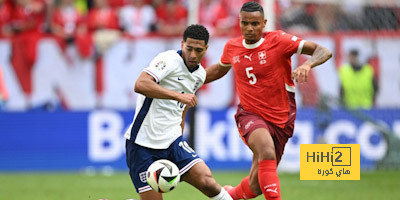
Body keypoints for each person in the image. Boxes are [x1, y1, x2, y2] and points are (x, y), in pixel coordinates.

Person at [205, 2, 332, 200]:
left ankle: (230, 196)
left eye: (255, 24)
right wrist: (189, 81)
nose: (249, 28)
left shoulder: (279, 40)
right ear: (239, 22)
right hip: (250, 114)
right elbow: (219, 70)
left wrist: (307, 65)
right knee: (266, 150)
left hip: (282, 118)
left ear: (264, 23)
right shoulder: (232, 47)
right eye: (245, 23)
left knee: (255, 186)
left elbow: (323, 50)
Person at [124, 24, 232, 200]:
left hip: (172, 143)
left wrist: (179, 133)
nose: (193, 55)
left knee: (208, 183)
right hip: (143, 145)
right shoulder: (168, 60)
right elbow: (140, 84)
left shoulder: (199, 75)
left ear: (206, 49)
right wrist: (178, 96)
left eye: (198, 50)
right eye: (189, 48)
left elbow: (182, 108)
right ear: (182, 44)